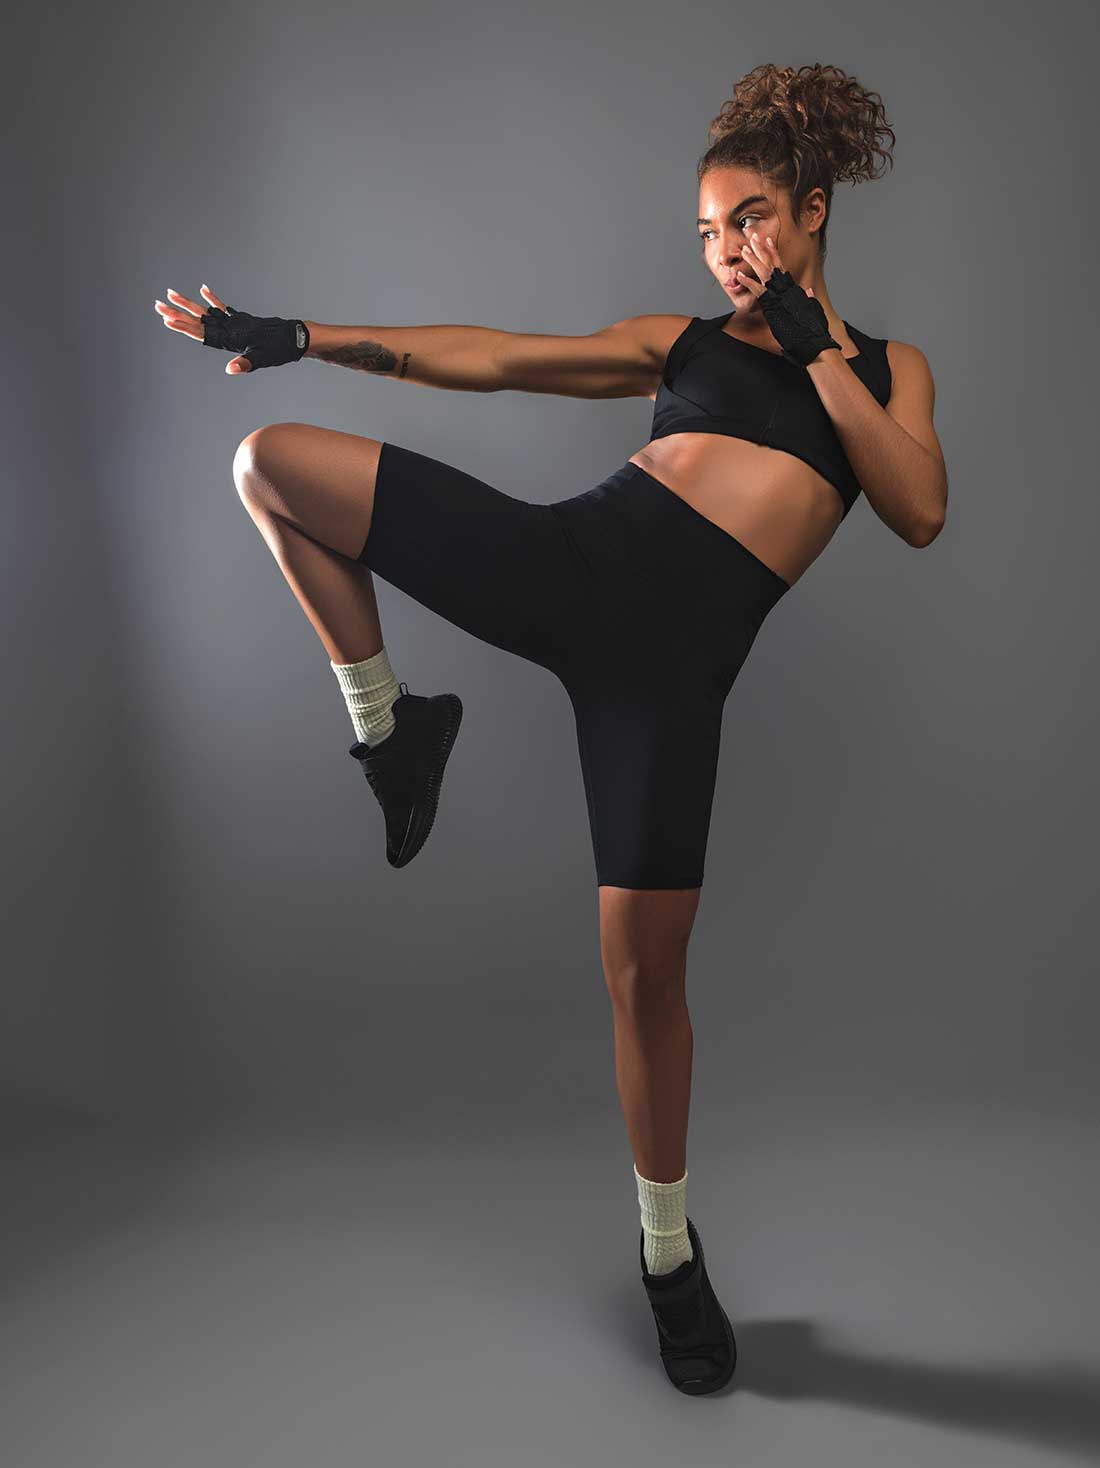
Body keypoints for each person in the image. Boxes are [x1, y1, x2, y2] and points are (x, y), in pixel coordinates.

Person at [153, 61, 947, 1395]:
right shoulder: (683, 346)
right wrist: (307, 334)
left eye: (750, 218)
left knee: (644, 984)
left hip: (667, 693)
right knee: (270, 463)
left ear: (813, 209)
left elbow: (918, 506)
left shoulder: (885, 372)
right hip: (567, 570)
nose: (727, 250)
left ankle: (667, 1256)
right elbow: (492, 359)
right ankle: (392, 731)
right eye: (708, 229)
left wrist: (817, 345)